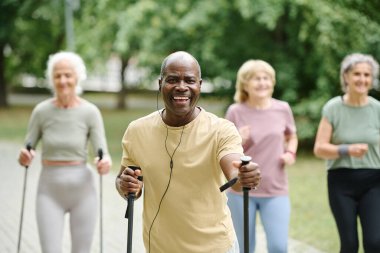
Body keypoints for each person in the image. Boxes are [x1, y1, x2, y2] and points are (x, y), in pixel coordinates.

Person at [115, 51, 261, 253]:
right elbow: (126, 184)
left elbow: (235, 174)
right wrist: (125, 185)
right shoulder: (137, 130)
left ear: (199, 85)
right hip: (160, 248)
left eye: (189, 80)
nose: (181, 87)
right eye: (172, 80)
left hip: (214, 248)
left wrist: (243, 176)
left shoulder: (221, 129)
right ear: (160, 84)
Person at [17, 51, 112, 253]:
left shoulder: (90, 112)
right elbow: (27, 150)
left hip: (83, 192)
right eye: (58, 75)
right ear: (52, 79)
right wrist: (24, 156)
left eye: (67, 75)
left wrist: (104, 164)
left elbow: (103, 153)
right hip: (49, 191)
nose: (63, 80)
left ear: (77, 77)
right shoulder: (41, 111)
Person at [225, 59, 298, 253]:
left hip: (275, 188)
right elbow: (224, 148)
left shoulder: (282, 108)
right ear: (245, 84)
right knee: (244, 247)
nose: (262, 82)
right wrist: (239, 139)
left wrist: (290, 152)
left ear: (272, 82)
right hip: (241, 191)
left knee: (278, 247)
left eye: (266, 78)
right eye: (256, 78)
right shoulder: (235, 111)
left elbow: (292, 136)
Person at [314, 53, 380, 253]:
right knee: (350, 244)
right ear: (346, 77)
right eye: (357, 74)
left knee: (375, 242)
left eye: (367, 75)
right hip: (341, 182)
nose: (362, 79)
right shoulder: (333, 107)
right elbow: (319, 148)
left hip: (374, 181)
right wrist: (347, 150)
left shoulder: (377, 109)